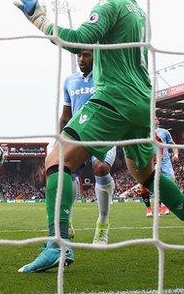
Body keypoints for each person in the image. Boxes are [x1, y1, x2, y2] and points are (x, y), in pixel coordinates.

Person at [14, 0, 184, 272]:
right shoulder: (140, 14)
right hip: (142, 102)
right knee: (145, 175)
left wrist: (39, 19)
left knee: (57, 160)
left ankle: (57, 244)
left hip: (114, 96)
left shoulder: (110, 5)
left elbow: (77, 40)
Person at [59, 49, 116, 245]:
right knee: (67, 172)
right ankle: (67, 222)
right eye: (79, 55)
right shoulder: (70, 81)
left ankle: (103, 223)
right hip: (78, 133)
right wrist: (60, 139)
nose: (81, 59)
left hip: (104, 132)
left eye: (86, 55)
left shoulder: (108, 76)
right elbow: (66, 115)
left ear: (96, 56)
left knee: (101, 168)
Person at [139, 117, 181, 216]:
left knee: (171, 182)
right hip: (149, 162)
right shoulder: (144, 132)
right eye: (152, 118)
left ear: (158, 121)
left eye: (156, 118)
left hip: (164, 161)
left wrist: (176, 154)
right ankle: (149, 209)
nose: (154, 120)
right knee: (144, 185)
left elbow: (172, 144)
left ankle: (163, 206)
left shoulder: (164, 132)